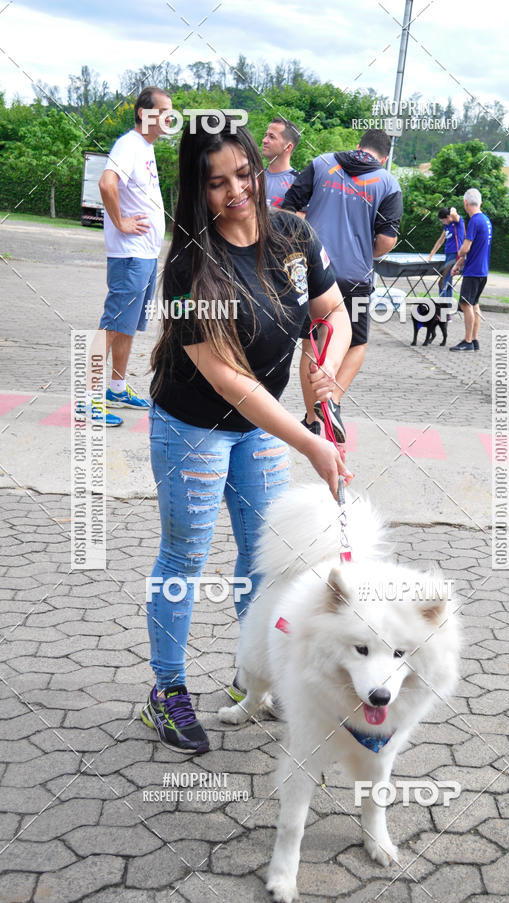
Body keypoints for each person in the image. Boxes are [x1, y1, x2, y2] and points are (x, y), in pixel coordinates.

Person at [140, 114, 352, 753]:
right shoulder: (189, 264)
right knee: (186, 558)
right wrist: (309, 440)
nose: (235, 192)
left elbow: (334, 311)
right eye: (216, 183)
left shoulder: (292, 232)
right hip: (194, 428)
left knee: (265, 560)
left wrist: (326, 375)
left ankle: (253, 680)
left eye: (243, 174)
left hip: (265, 427)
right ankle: (167, 690)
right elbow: (231, 381)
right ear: (195, 191)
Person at [282, 129, 403, 440]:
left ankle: (311, 419)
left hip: (311, 271)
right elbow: (387, 240)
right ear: (385, 157)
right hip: (355, 277)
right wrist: (365, 250)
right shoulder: (388, 183)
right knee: (356, 343)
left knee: (311, 343)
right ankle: (332, 400)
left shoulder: (322, 164)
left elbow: (285, 211)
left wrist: (303, 242)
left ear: (358, 146)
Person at [89, 86, 172, 426]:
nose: (169, 116)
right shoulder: (129, 144)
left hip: (145, 254)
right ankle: (86, 398)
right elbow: (107, 184)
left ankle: (117, 389)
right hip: (130, 254)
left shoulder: (145, 147)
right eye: (163, 110)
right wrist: (121, 222)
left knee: (126, 327)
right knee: (112, 325)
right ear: (143, 113)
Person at [450, 188, 493, 352]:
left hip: (473, 271)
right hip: (482, 270)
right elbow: (476, 248)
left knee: (465, 304)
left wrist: (460, 254)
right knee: (474, 304)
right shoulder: (486, 220)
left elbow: (465, 249)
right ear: (480, 202)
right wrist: (459, 264)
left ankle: (467, 341)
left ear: (465, 203)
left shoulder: (474, 220)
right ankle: (475, 340)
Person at [262, 116, 301, 208]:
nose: (264, 140)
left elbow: (302, 219)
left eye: (271, 137)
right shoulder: (254, 178)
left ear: (288, 147)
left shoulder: (299, 182)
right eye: (265, 135)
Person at [428, 206, 465, 298]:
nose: (442, 222)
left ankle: (441, 309)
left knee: (442, 281)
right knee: (448, 283)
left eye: (442, 220)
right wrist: (431, 254)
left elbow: (453, 213)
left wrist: (452, 208)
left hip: (455, 255)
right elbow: (440, 240)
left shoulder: (458, 222)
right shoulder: (447, 226)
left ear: (448, 217)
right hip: (448, 255)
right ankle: (447, 309)